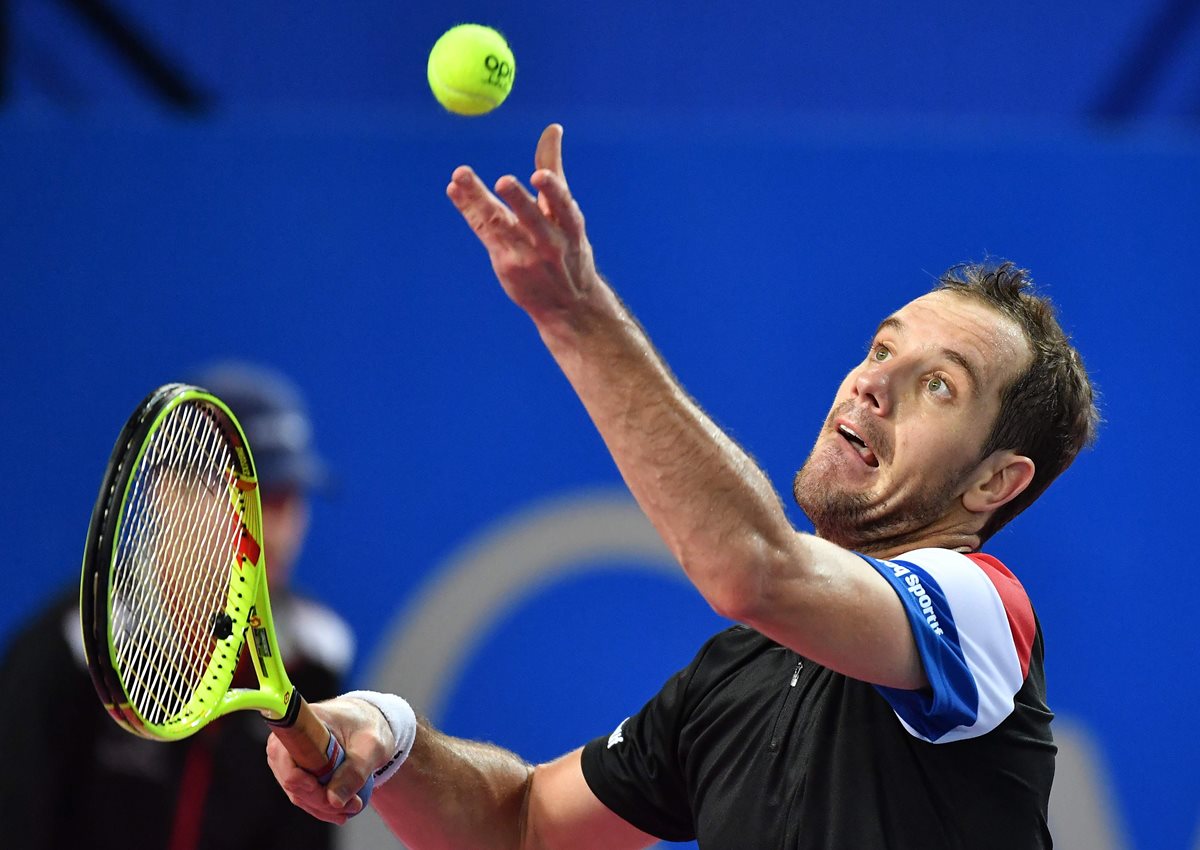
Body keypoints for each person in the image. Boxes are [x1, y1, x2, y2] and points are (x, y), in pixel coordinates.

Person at [266, 125, 1098, 849]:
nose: (872, 385)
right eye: (883, 349)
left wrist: (575, 314)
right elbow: (520, 827)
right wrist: (390, 733)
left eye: (939, 386)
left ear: (996, 481)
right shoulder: (743, 671)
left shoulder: (983, 615)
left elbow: (753, 569)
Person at [0, 362, 355, 850]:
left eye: (287, 499)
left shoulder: (316, 660)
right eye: (250, 497)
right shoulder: (67, 656)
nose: (274, 531)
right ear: (171, 495)